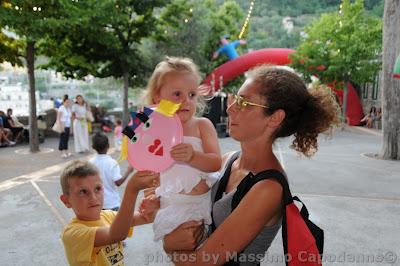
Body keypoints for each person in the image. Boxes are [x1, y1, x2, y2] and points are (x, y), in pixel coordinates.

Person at [160, 65, 340, 265]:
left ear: (275, 118)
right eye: (235, 99)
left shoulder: (268, 188)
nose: (230, 108)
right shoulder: (229, 160)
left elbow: (202, 263)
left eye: (244, 103)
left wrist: (170, 247)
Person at [142, 56, 222, 242]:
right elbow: (152, 171)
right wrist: (152, 194)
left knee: (195, 251)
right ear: (157, 98)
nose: (186, 101)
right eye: (177, 94)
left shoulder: (202, 125)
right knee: (178, 250)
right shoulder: (155, 130)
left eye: (192, 95)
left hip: (198, 207)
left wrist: (194, 156)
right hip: (169, 205)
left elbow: (216, 162)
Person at [59, 160, 158, 266]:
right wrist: (132, 190)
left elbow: (146, 218)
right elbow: (116, 235)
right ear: (66, 201)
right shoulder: (72, 234)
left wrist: (151, 195)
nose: (93, 198)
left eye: (97, 189)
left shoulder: (108, 215)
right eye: (83, 192)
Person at [90, 132, 133, 211]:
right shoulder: (112, 163)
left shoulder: (90, 163)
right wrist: (128, 171)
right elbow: (118, 182)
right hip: (112, 204)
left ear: (93, 147)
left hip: (97, 203)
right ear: (108, 146)